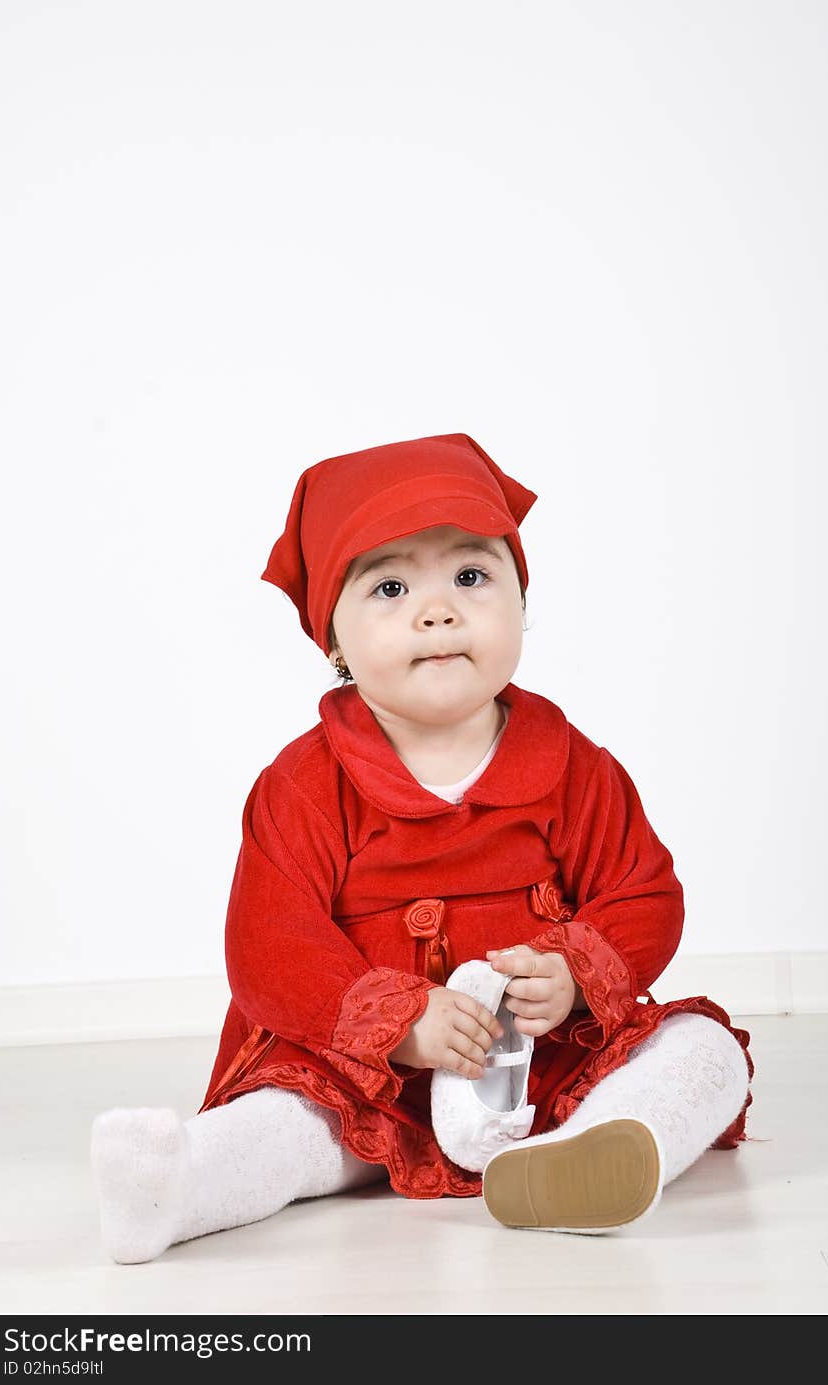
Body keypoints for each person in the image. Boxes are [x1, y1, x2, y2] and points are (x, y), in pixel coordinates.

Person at [90, 431, 753, 1263]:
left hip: (540, 1069)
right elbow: (270, 944)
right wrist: (398, 1022)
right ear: (331, 638)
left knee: (705, 1048)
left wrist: (579, 971)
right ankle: (181, 1183)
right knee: (292, 1129)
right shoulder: (304, 784)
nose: (438, 611)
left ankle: (601, 1142)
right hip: (367, 1083)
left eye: (471, 577)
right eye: (391, 586)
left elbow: (644, 890)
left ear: (521, 600)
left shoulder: (572, 764)